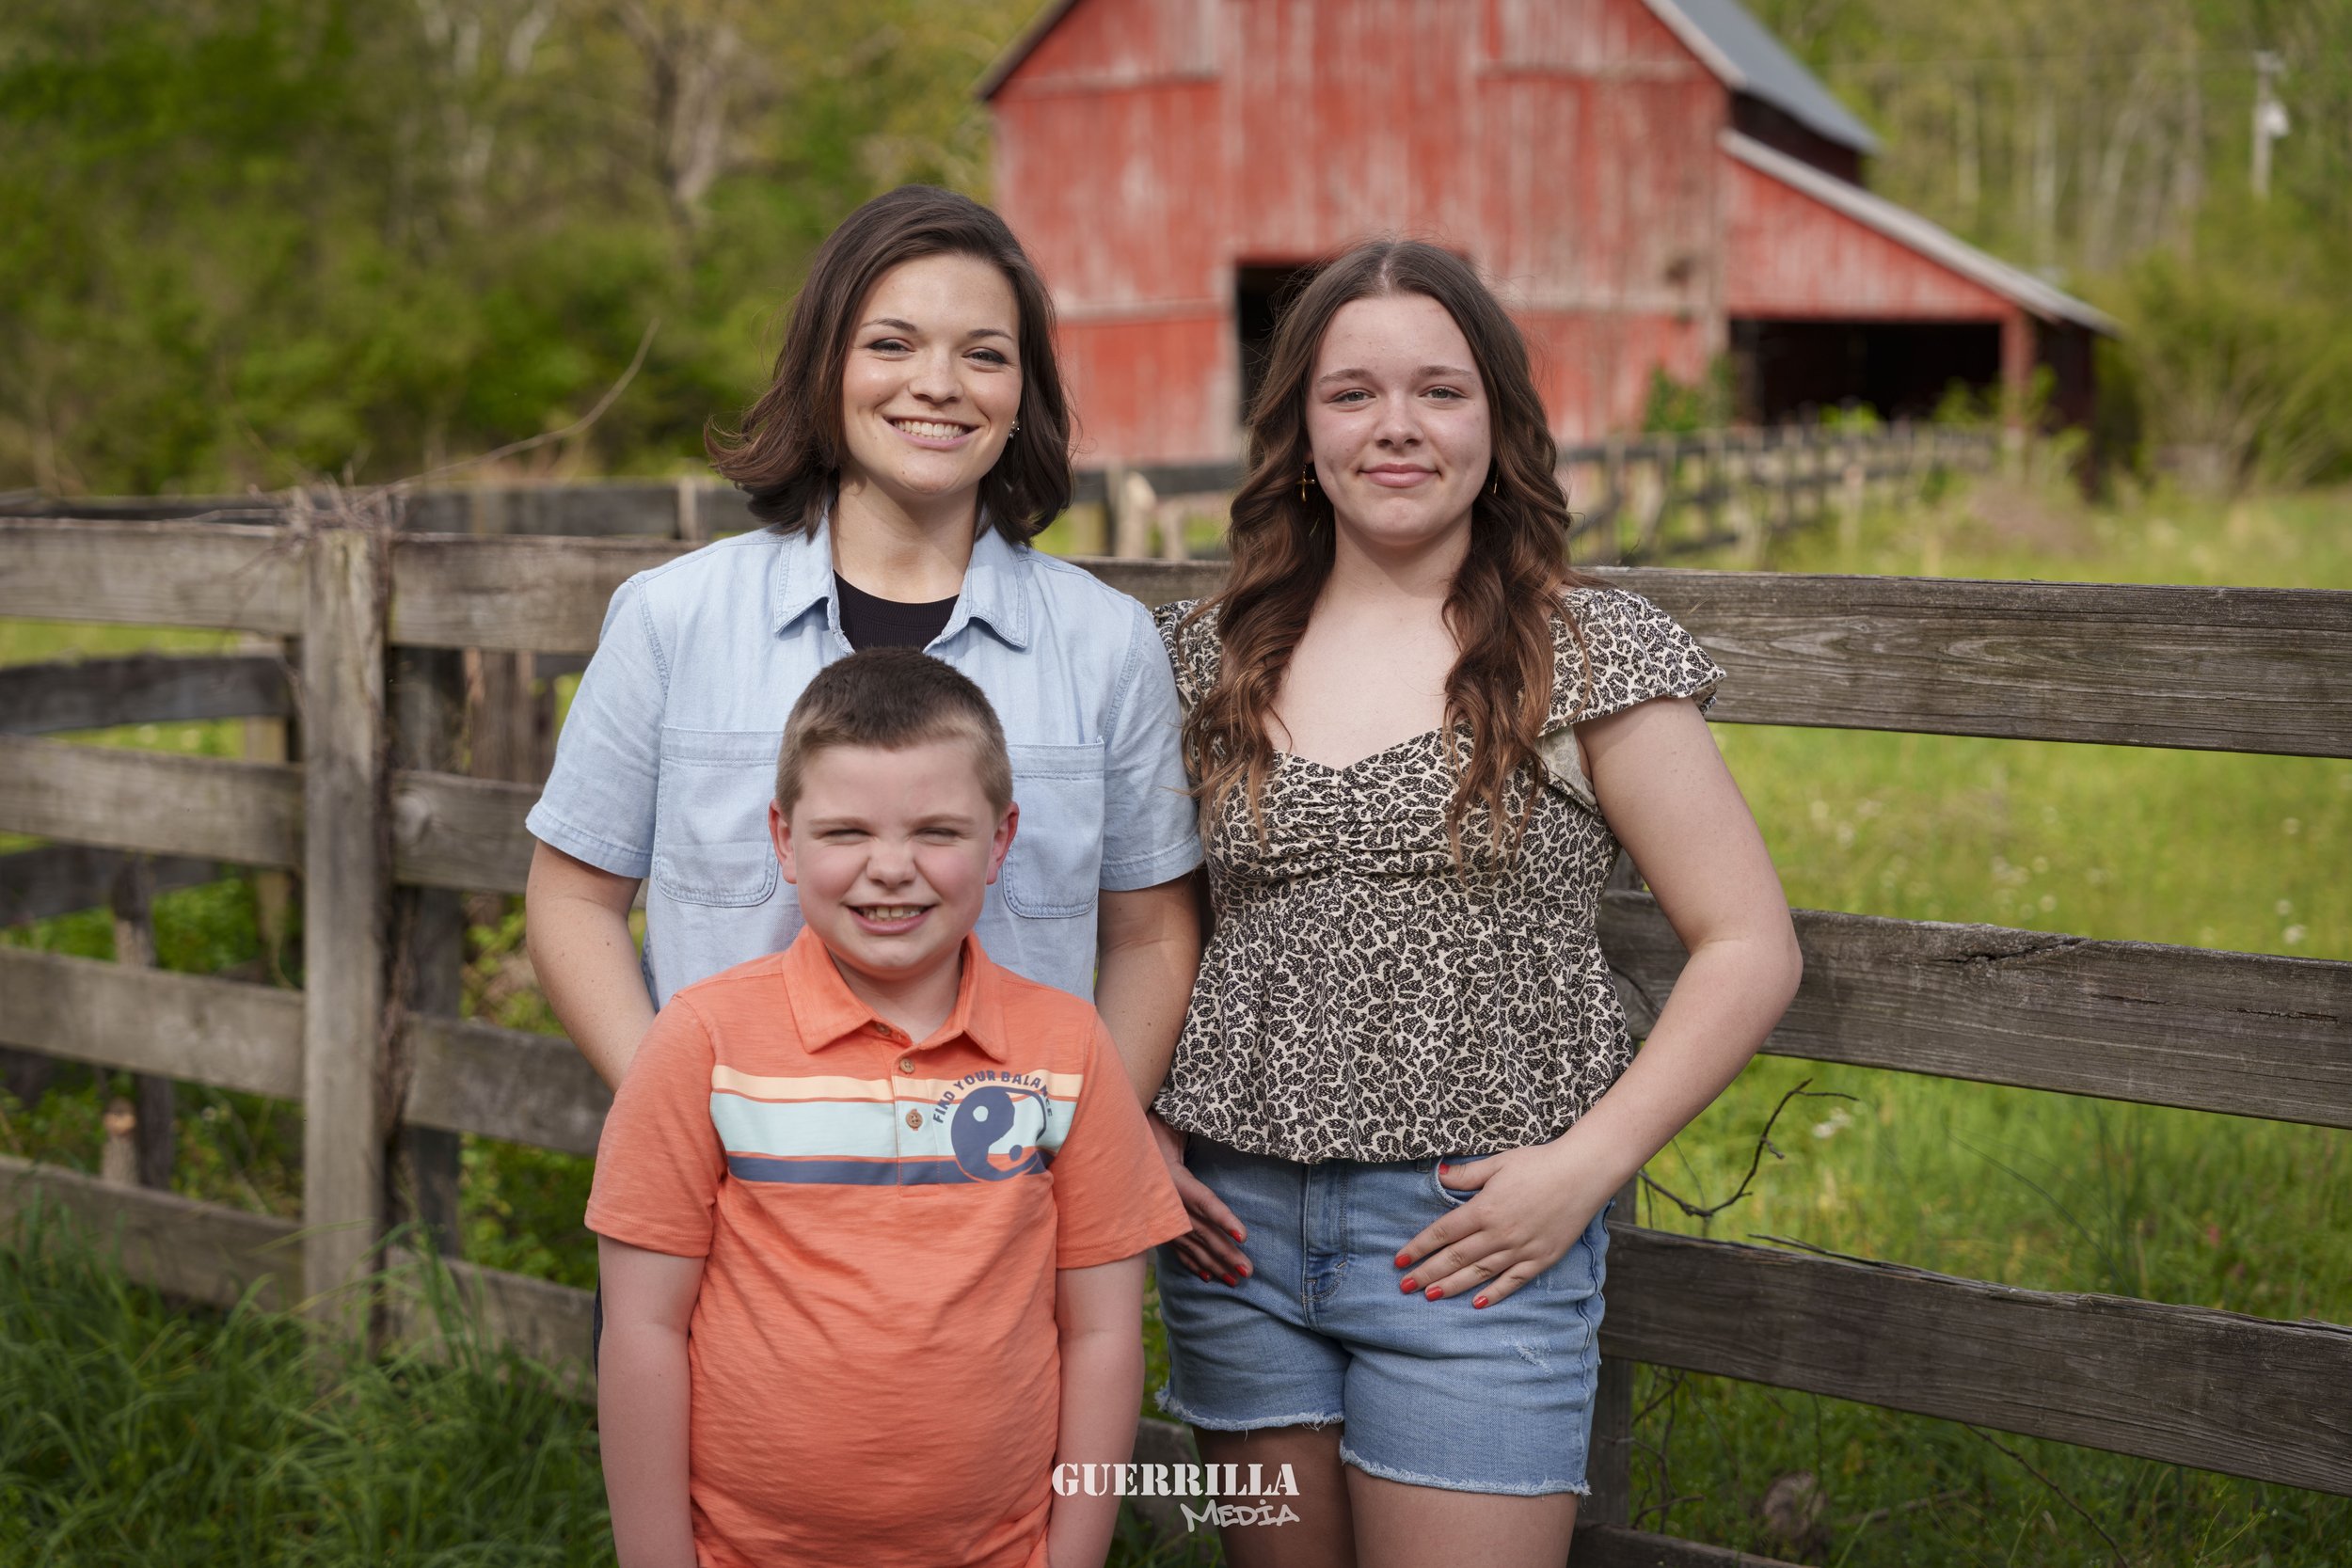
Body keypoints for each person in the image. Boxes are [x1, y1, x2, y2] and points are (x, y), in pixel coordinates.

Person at [1145, 241, 1804, 1567]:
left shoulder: (1585, 646)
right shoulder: (1202, 656)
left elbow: (1748, 945)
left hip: (1472, 1240)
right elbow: (1150, 931)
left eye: (1440, 391)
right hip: (1228, 1234)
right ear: (1298, 430)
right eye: (1352, 394)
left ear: (1497, 424)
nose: (1397, 427)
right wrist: (1127, 1133)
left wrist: (1586, 1167)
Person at [523, 184, 1201, 1101]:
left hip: (1004, 1201)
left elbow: (1150, 934)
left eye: (984, 354)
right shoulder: (672, 620)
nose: (938, 383)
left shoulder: (1105, 645)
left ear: (1020, 392)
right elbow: (572, 900)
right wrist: (677, 1113)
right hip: (742, 1194)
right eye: (891, 343)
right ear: (825, 365)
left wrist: (1086, 1148)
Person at [589, 649, 1189, 1568]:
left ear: (1001, 839)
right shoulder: (699, 1041)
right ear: (783, 839)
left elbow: (1104, 1332)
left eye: (938, 830)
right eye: (845, 832)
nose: (891, 868)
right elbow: (640, 1326)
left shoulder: (1069, 1051)